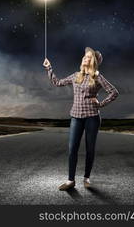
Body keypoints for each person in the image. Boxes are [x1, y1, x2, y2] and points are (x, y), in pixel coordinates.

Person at [42, 47, 119, 191]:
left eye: (88, 56)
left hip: (92, 117)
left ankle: (86, 178)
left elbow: (114, 92)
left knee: (90, 149)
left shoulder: (97, 77)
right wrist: (49, 68)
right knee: (72, 149)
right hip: (76, 117)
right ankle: (71, 181)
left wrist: (101, 104)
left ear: (94, 62)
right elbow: (57, 82)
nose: (84, 58)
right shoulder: (75, 75)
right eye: (84, 55)